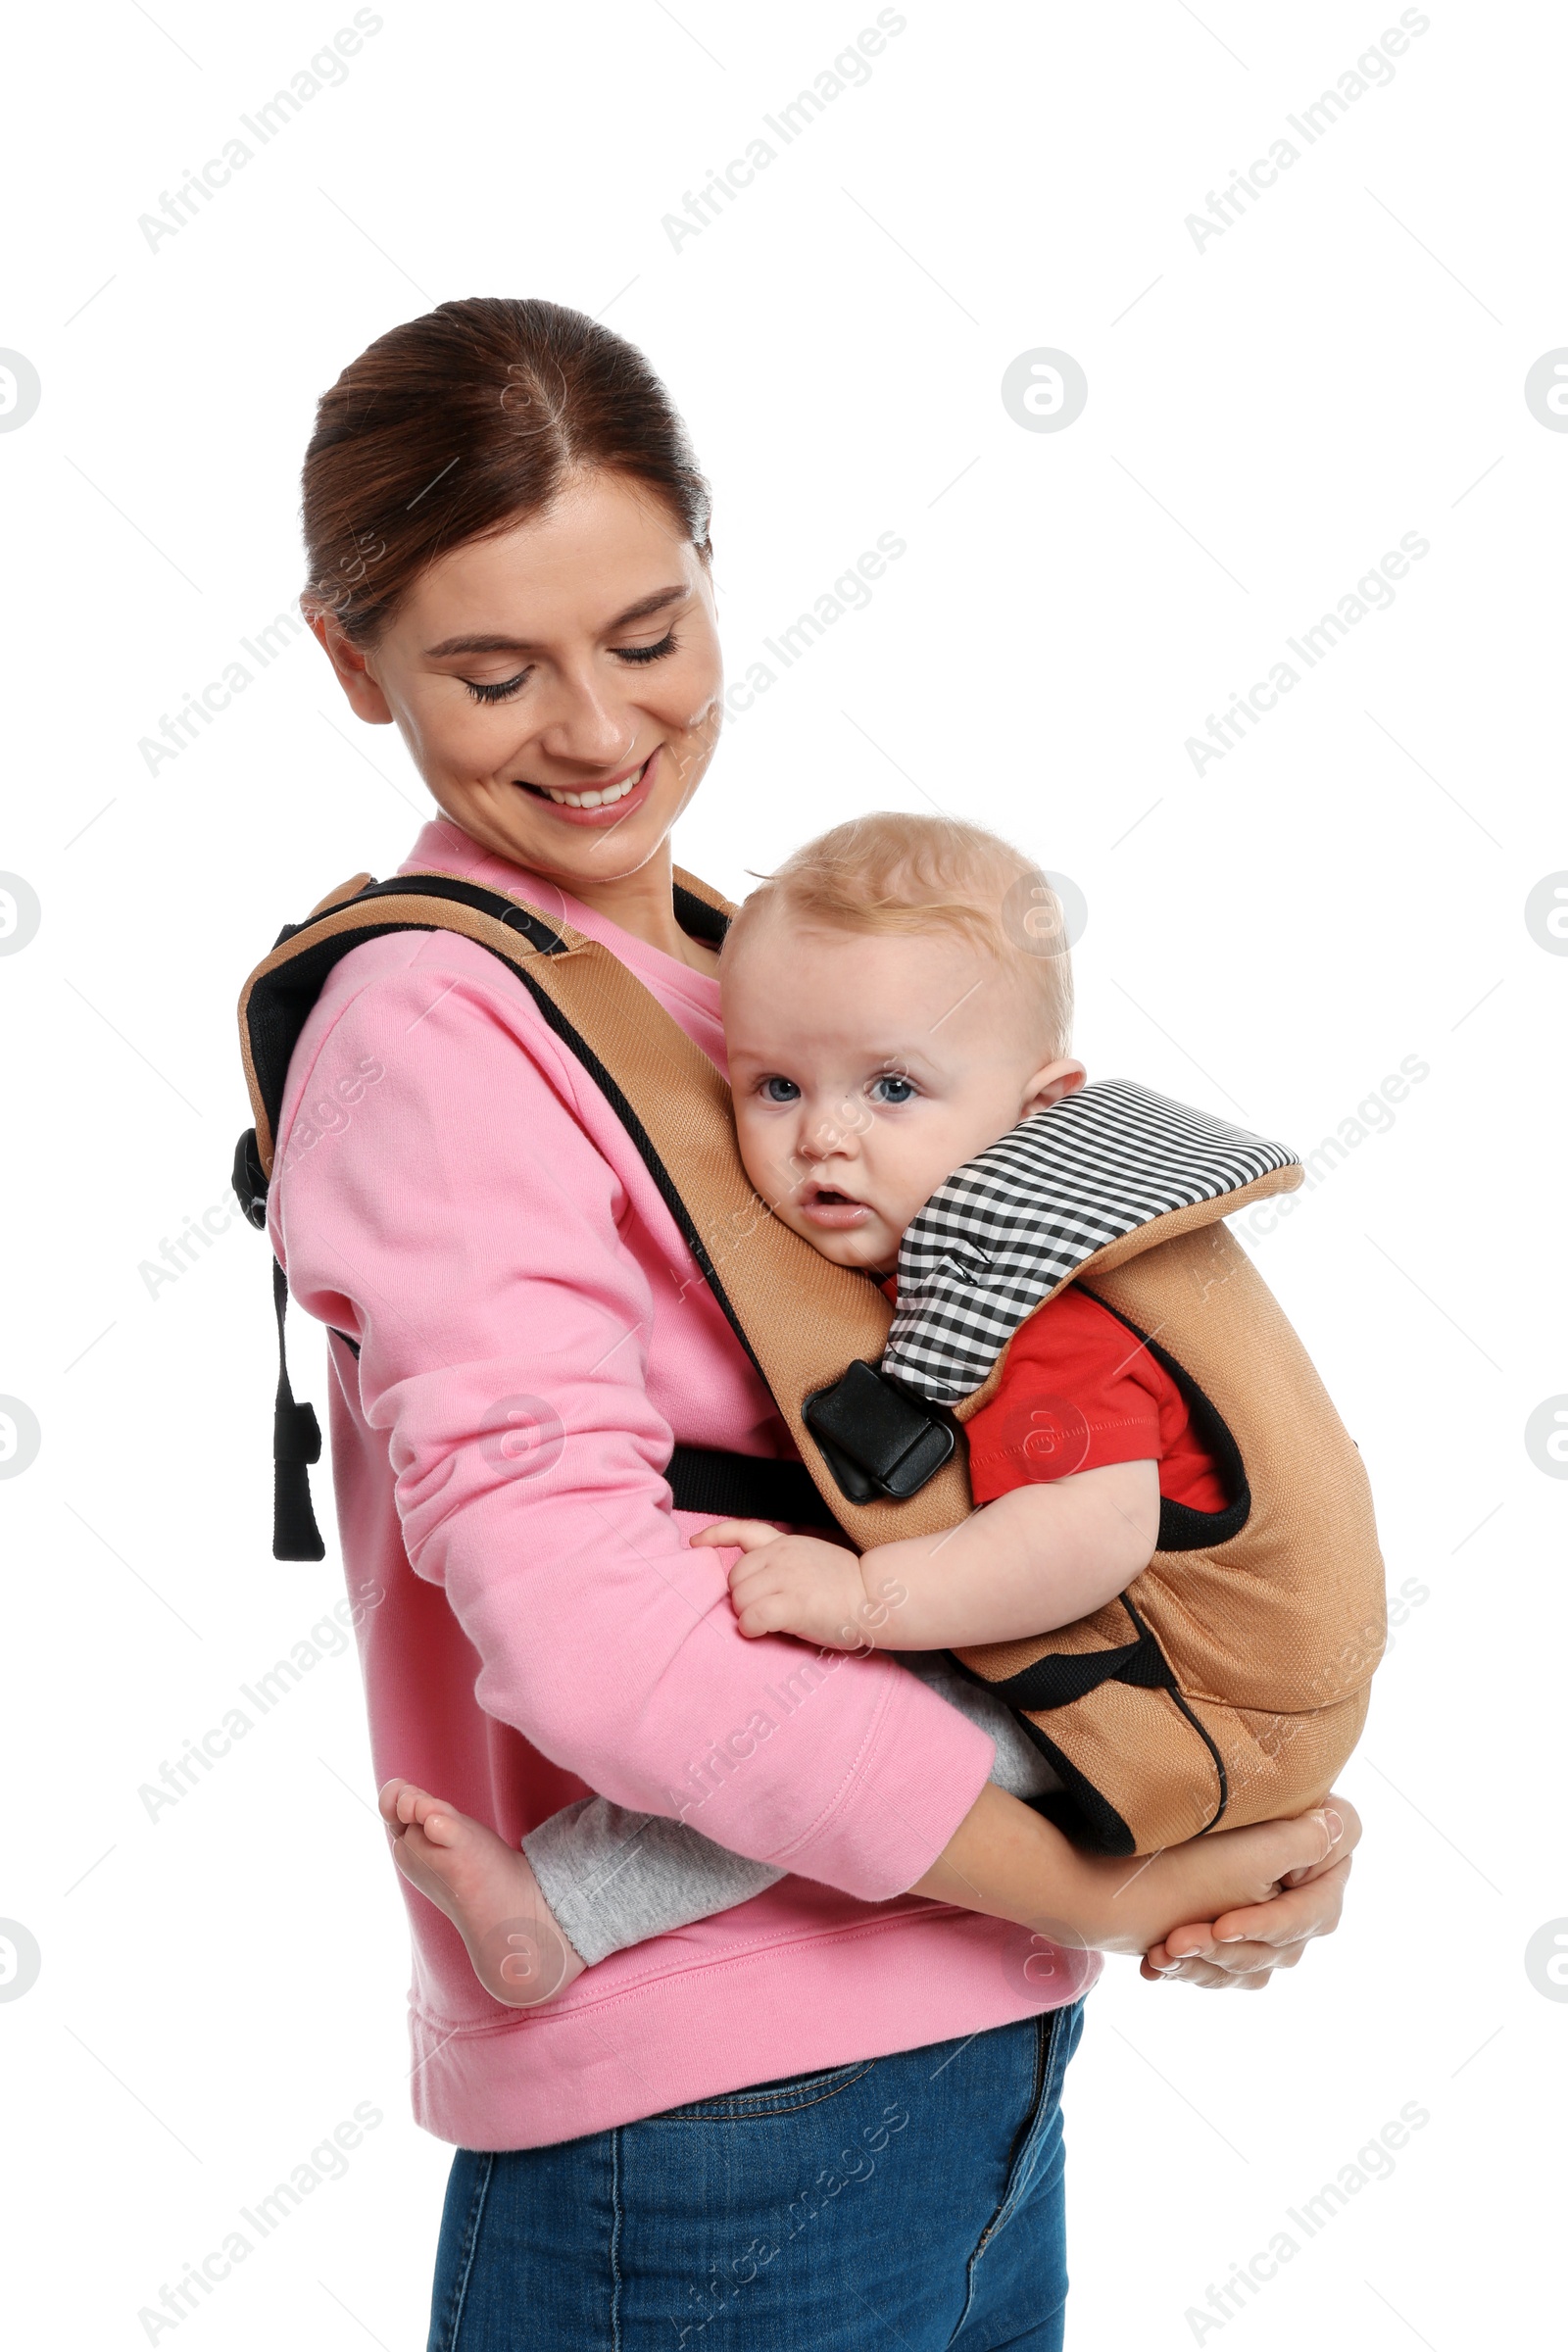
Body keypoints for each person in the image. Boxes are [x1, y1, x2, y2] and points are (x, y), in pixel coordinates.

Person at [278, 295, 1359, 2351]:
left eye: (650, 635)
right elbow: (595, 1646)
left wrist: (1215, 1800)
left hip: (966, 2064)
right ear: (354, 664)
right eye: (492, 672)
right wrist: (1093, 1884)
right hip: (711, 2116)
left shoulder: (747, 970)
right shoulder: (435, 1022)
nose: (597, 732)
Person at [377, 807, 1288, 2013]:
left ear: (1038, 1109)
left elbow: (1090, 1534)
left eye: (893, 1088)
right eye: (773, 1086)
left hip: (1142, 1685)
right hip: (1051, 1792)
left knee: (859, 1729)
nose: (823, 1138)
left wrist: (866, 1603)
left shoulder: (1043, 1307)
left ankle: (564, 1910)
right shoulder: (919, 1263)